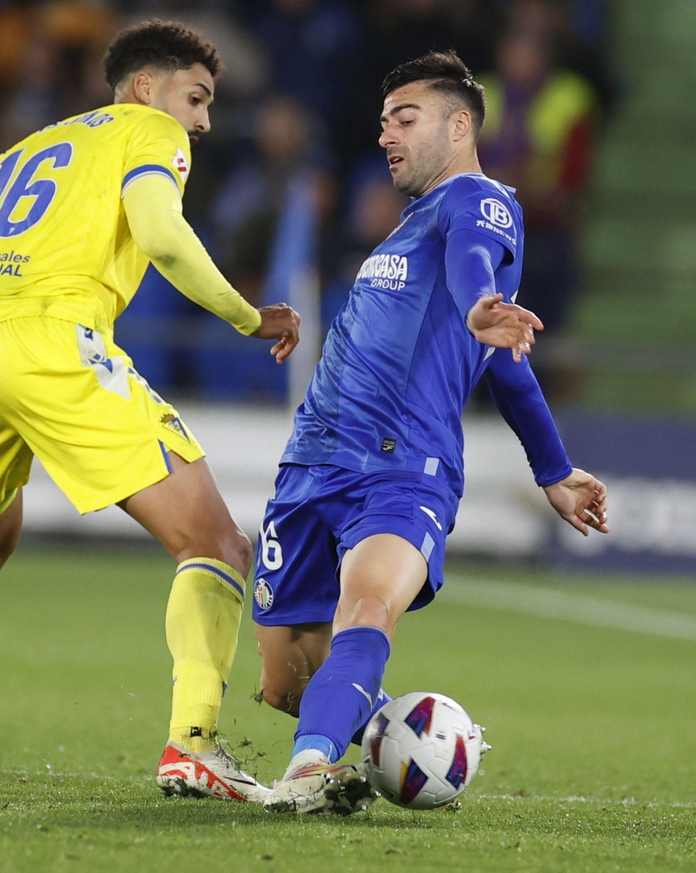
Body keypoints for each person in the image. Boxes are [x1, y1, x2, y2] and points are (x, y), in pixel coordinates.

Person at [0, 19, 302, 803]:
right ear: (147, 88)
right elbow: (162, 234)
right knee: (215, 541)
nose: (204, 122)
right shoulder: (148, 131)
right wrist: (248, 315)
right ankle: (195, 745)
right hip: (53, 344)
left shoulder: (20, 155)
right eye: (197, 98)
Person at [253, 52, 609, 814]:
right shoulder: (408, 229)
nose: (387, 136)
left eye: (404, 120)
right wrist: (555, 470)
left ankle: (308, 773)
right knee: (285, 682)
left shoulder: (477, 202)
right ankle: (417, 738)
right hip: (312, 462)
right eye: (382, 123)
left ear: (458, 124)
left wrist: (482, 301)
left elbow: (477, 268)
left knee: (368, 605)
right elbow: (505, 367)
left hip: (400, 465)